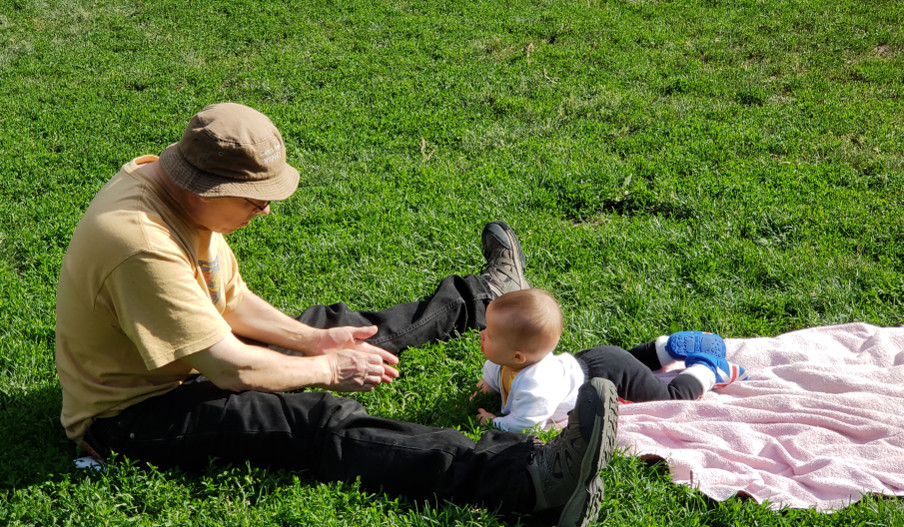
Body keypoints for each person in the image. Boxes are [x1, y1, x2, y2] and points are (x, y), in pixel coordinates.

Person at [55, 102, 619, 527]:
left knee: (339, 325)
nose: (266, 211)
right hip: (137, 413)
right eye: (255, 200)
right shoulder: (139, 243)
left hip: (192, 359)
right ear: (206, 185)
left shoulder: (171, 189)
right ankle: (530, 480)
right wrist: (328, 369)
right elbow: (233, 371)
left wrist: (315, 341)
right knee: (320, 422)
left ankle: (487, 295)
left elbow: (230, 300)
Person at [472, 288, 748, 432]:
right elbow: (493, 375)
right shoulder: (504, 359)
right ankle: (665, 350)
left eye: (491, 335)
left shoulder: (535, 386)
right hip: (594, 359)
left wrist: (494, 422)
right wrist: (487, 387)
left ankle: (708, 370)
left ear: (519, 356)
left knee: (669, 398)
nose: (482, 336)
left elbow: (526, 424)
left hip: (606, 378)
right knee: (629, 361)